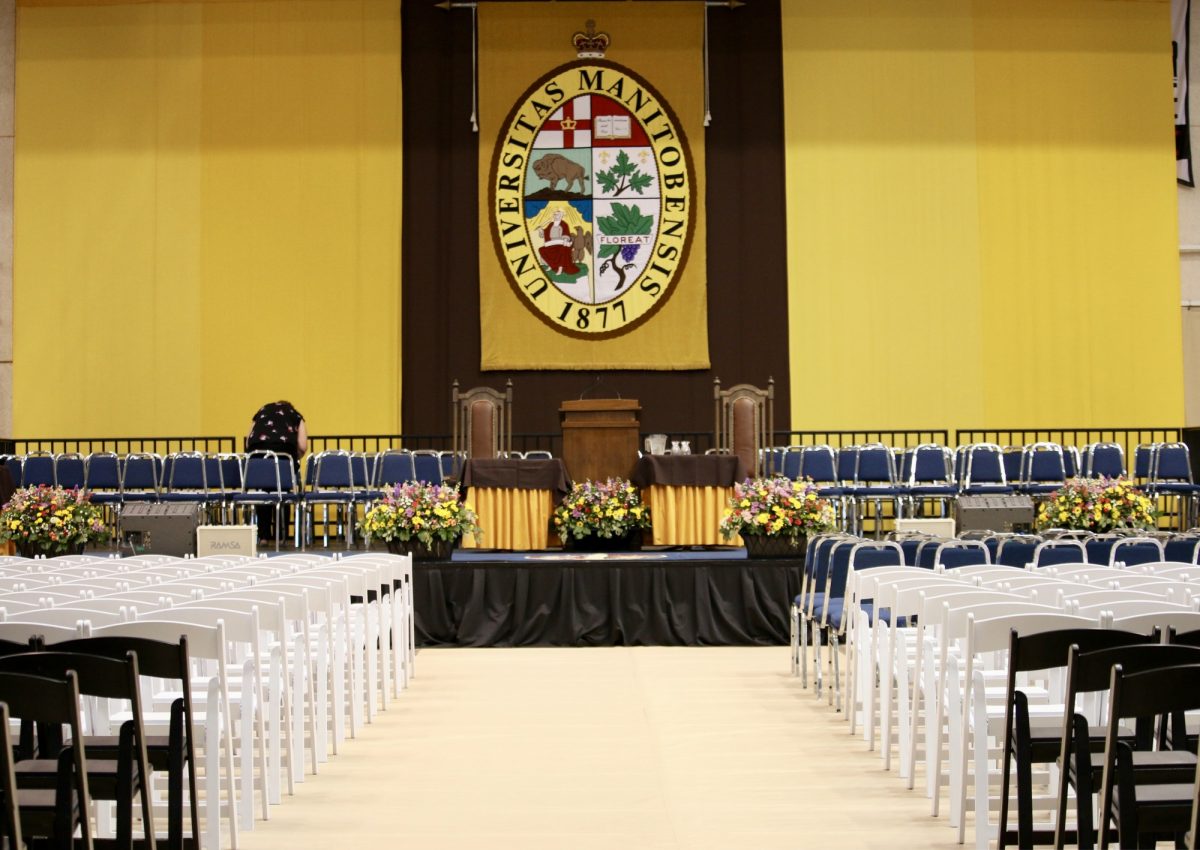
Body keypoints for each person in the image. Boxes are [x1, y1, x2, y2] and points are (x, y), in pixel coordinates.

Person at [246, 400, 307, 542]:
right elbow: (303, 445)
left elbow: (248, 440)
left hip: (258, 456)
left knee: (263, 492)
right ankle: (282, 535)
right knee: (283, 492)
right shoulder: (295, 415)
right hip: (283, 457)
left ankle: (263, 536)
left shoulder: (262, 411)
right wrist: (295, 458)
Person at [538, 208, 579, 276]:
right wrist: (540, 230)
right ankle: (552, 265)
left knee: (562, 250)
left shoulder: (564, 224)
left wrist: (565, 240)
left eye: (556, 215)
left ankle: (560, 268)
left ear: (561, 216)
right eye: (554, 214)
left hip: (561, 244)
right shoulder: (551, 224)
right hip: (551, 244)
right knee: (541, 249)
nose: (554, 216)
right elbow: (545, 233)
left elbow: (566, 234)